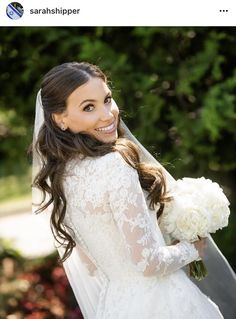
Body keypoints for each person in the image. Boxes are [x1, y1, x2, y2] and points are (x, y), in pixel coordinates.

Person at [31, 62, 235, 319]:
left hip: (117, 306)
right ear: (59, 119)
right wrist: (192, 247)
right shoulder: (114, 164)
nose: (107, 114)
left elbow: (90, 266)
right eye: (89, 107)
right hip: (163, 304)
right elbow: (148, 262)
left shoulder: (61, 177)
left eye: (107, 99)